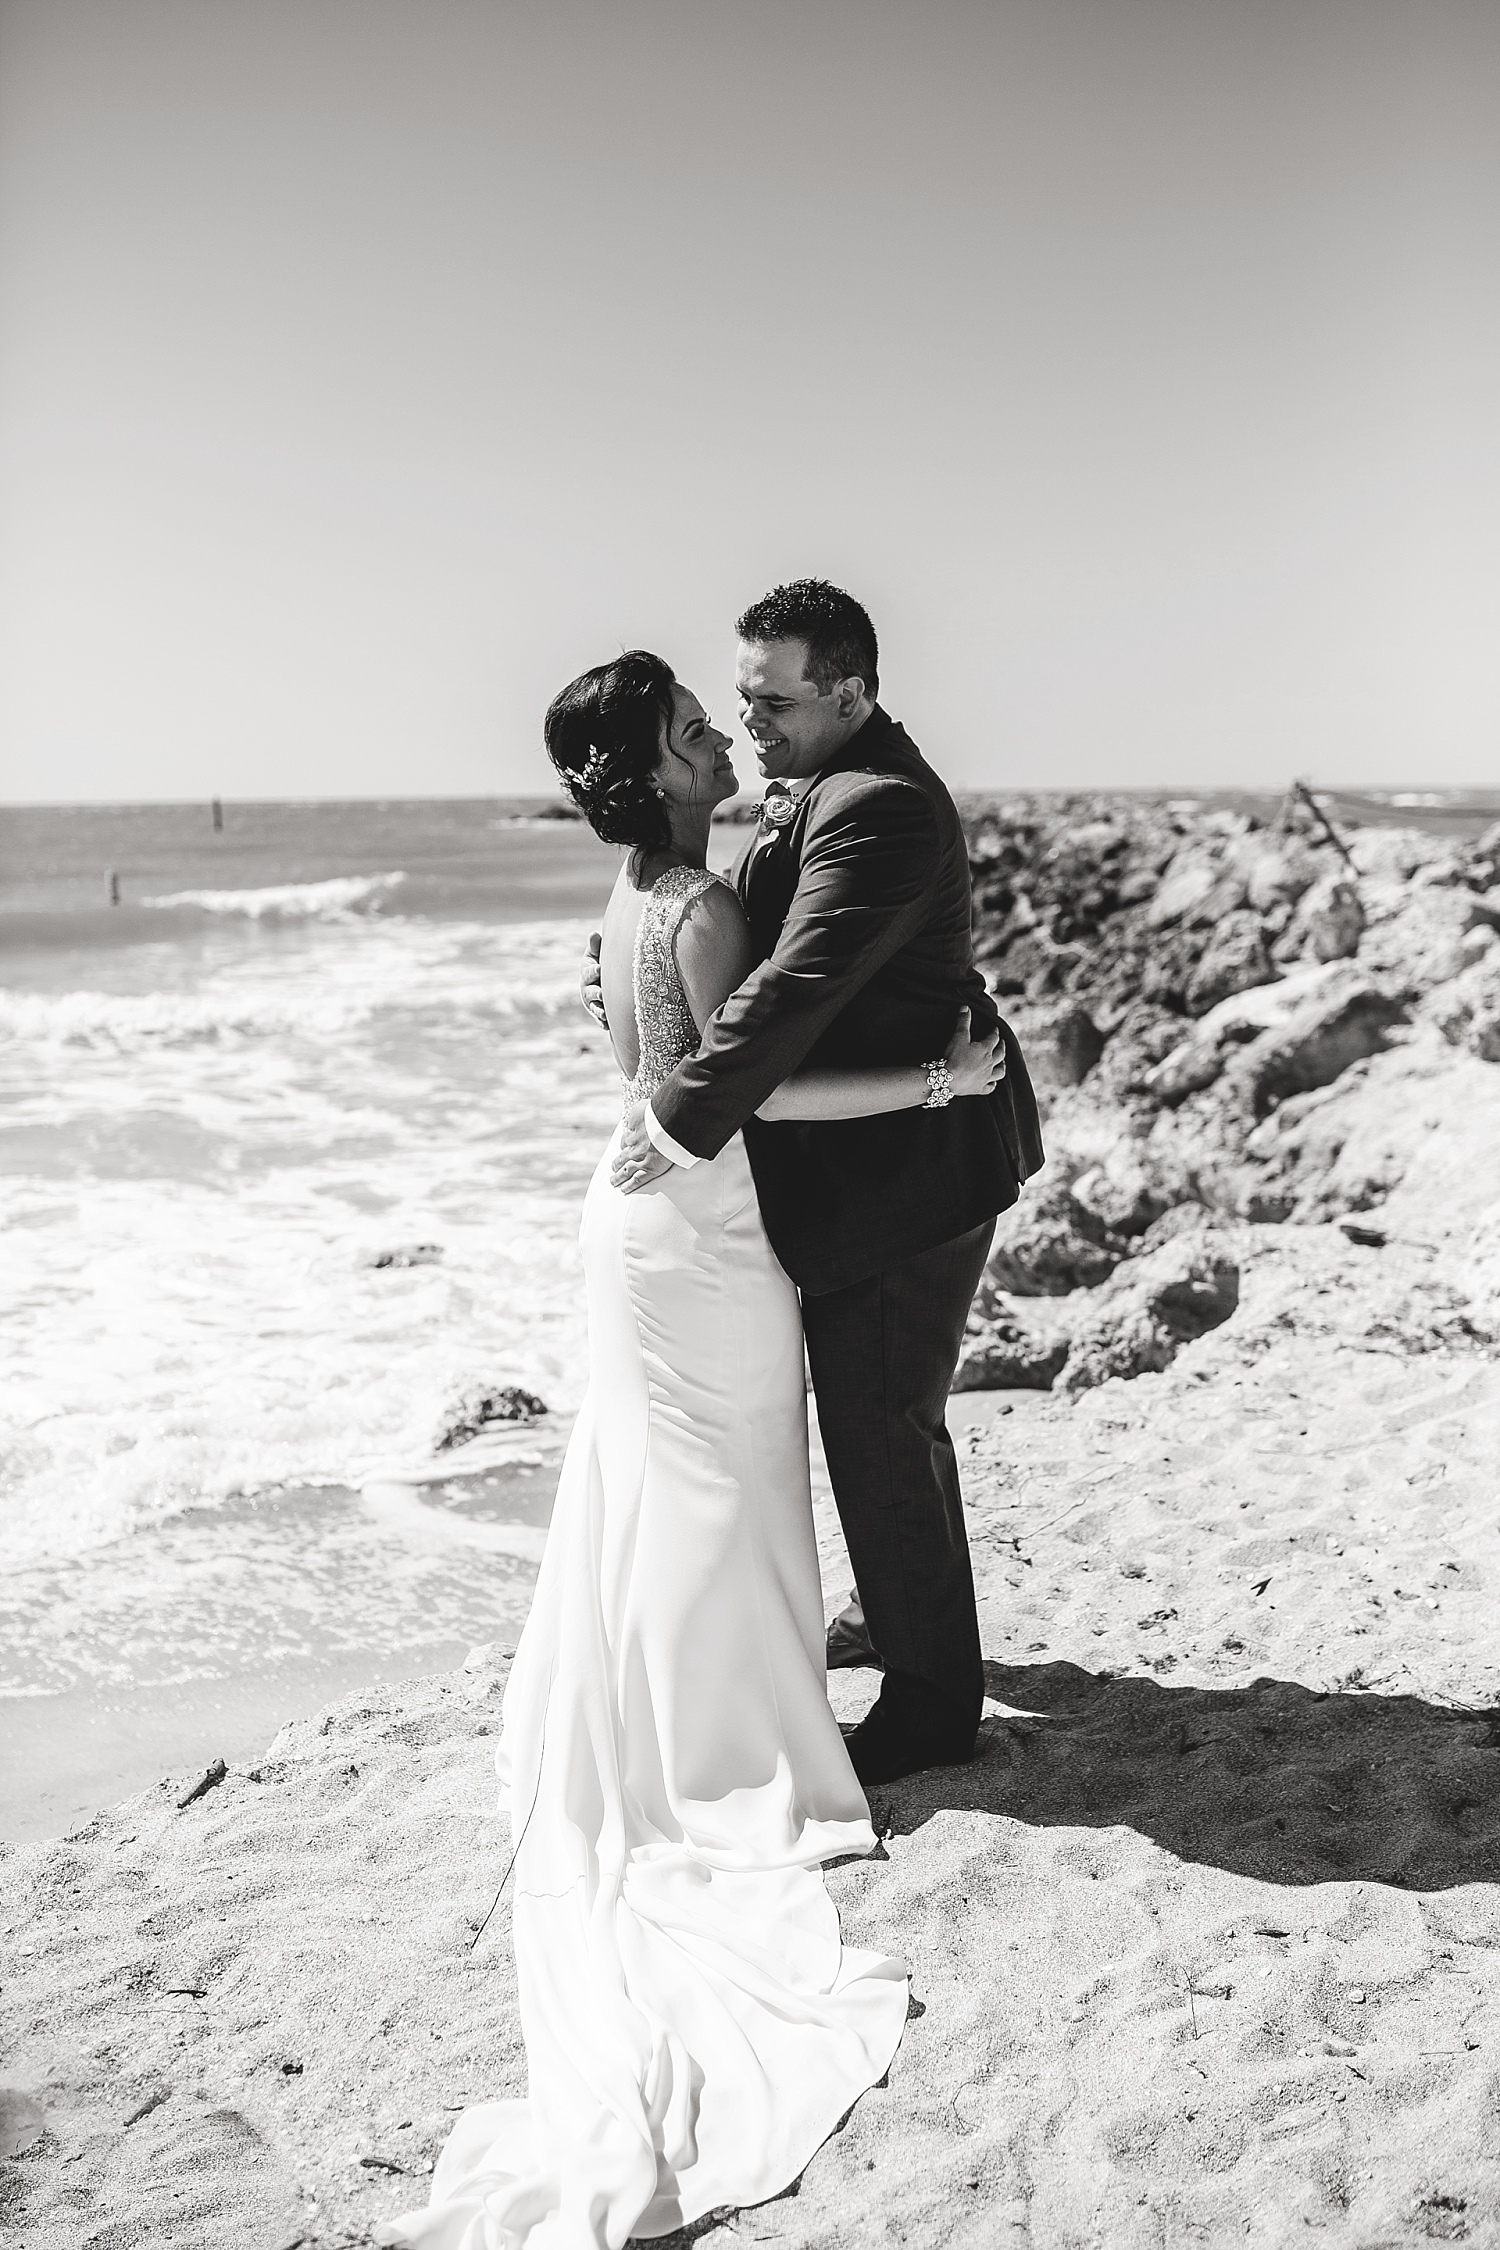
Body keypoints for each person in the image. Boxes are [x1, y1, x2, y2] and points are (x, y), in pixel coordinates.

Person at [378, 646, 1008, 2249]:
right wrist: (942, 1073)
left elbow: (656, 1060)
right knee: (718, 1487)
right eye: (692, 727)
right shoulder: (714, 904)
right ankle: (728, 1738)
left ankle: (673, 1714)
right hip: (700, 1218)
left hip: (631, 1222)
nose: (723, 736)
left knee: (665, 1487)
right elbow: (751, 1091)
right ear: (655, 770)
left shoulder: (631, 896)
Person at [606, 580, 1043, 1790]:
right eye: (740, 697)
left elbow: (792, 991)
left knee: (884, 1429)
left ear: (850, 692)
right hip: (861, 1163)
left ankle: (932, 1708)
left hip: (910, 1174)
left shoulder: (885, 809)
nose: (750, 721)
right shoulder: (819, 779)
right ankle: (910, 1627)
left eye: (774, 699)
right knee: (868, 1422)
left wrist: (679, 1116)